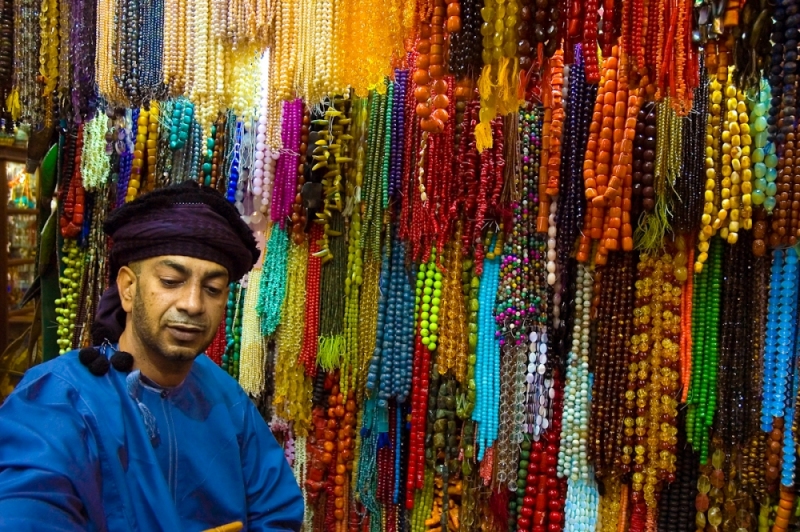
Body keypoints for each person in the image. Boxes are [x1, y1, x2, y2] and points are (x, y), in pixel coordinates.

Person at [0, 181, 304, 531]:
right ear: (128, 289)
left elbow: (276, 514)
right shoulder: (58, 399)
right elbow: (27, 511)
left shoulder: (226, 399)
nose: (192, 304)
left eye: (212, 289)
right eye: (171, 281)